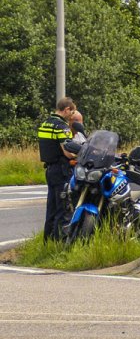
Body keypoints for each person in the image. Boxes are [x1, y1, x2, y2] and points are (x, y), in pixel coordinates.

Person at [37, 97, 77, 242]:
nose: (71, 116)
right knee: (63, 207)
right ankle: (59, 241)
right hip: (62, 170)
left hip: (50, 169)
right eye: (71, 113)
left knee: (51, 207)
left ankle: (48, 240)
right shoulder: (62, 127)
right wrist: (78, 154)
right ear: (66, 109)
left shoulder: (45, 124)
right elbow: (67, 152)